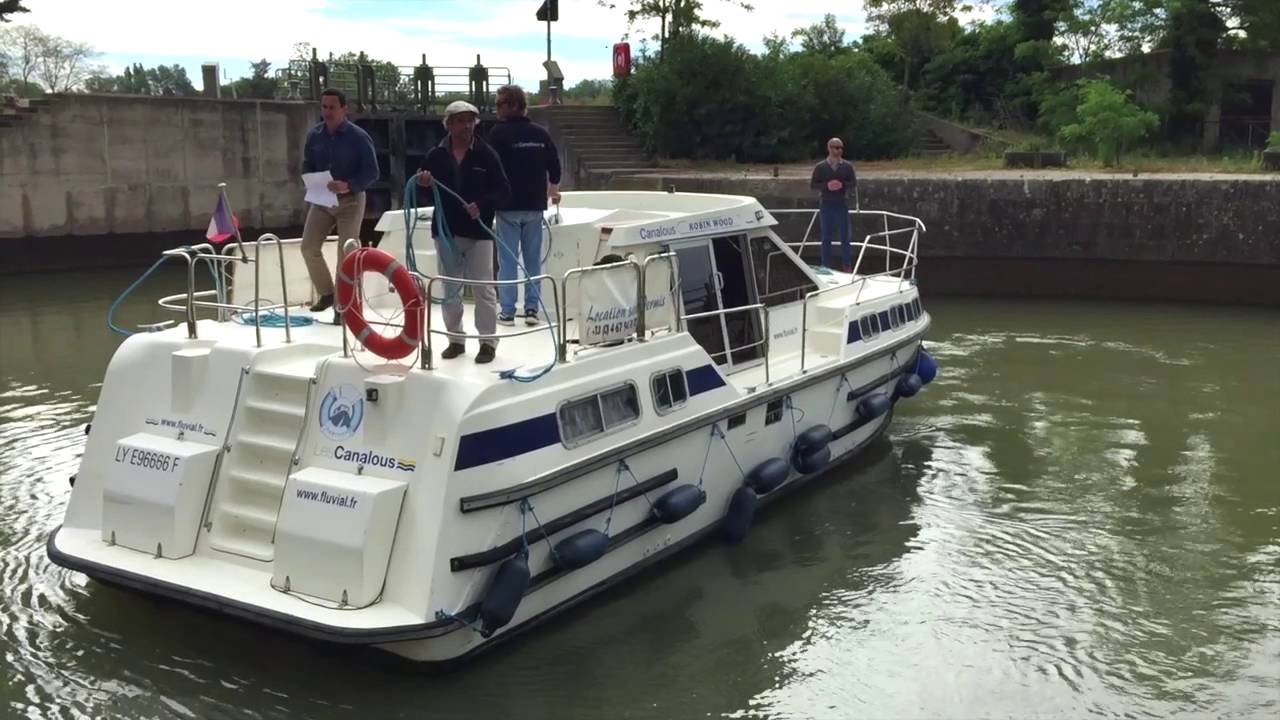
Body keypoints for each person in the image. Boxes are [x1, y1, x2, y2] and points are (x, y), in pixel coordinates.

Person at [415, 100, 510, 364]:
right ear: (449, 124)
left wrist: (481, 205)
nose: (466, 125)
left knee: (484, 289)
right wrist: (423, 182)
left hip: (478, 233)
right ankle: (455, 340)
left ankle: (488, 343)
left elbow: (503, 189)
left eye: (470, 120)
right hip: (446, 232)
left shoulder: (486, 153)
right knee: (451, 288)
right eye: (460, 120)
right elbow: (420, 189)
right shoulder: (435, 155)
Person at [487, 84, 562, 327]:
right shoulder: (541, 134)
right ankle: (532, 310)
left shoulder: (497, 135)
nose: (497, 109)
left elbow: (488, 169)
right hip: (534, 206)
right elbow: (555, 167)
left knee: (508, 261)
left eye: (500, 104)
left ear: (514, 106)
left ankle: (507, 312)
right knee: (532, 260)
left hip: (508, 207)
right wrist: (553, 190)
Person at [300, 88, 379, 316]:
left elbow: (372, 172)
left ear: (344, 108)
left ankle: (344, 306)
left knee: (346, 255)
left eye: (332, 107)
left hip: (351, 200)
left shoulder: (359, 137)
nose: (327, 112)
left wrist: (349, 185)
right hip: (322, 200)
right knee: (308, 247)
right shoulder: (314, 135)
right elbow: (307, 163)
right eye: (324, 107)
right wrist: (309, 180)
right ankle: (327, 294)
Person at [809, 137, 857, 272]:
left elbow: (853, 183)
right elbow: (813, 185)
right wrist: (827, 186)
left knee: (845, 237)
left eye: (841, 148)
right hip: (826, 205)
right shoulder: (820, 167)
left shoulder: (847, 166)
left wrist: (842, 185)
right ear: (829, 148)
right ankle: (825, 266)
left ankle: (847, 266)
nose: (839, 150)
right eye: (836, 147)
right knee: (826, 237)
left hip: (842, 204)